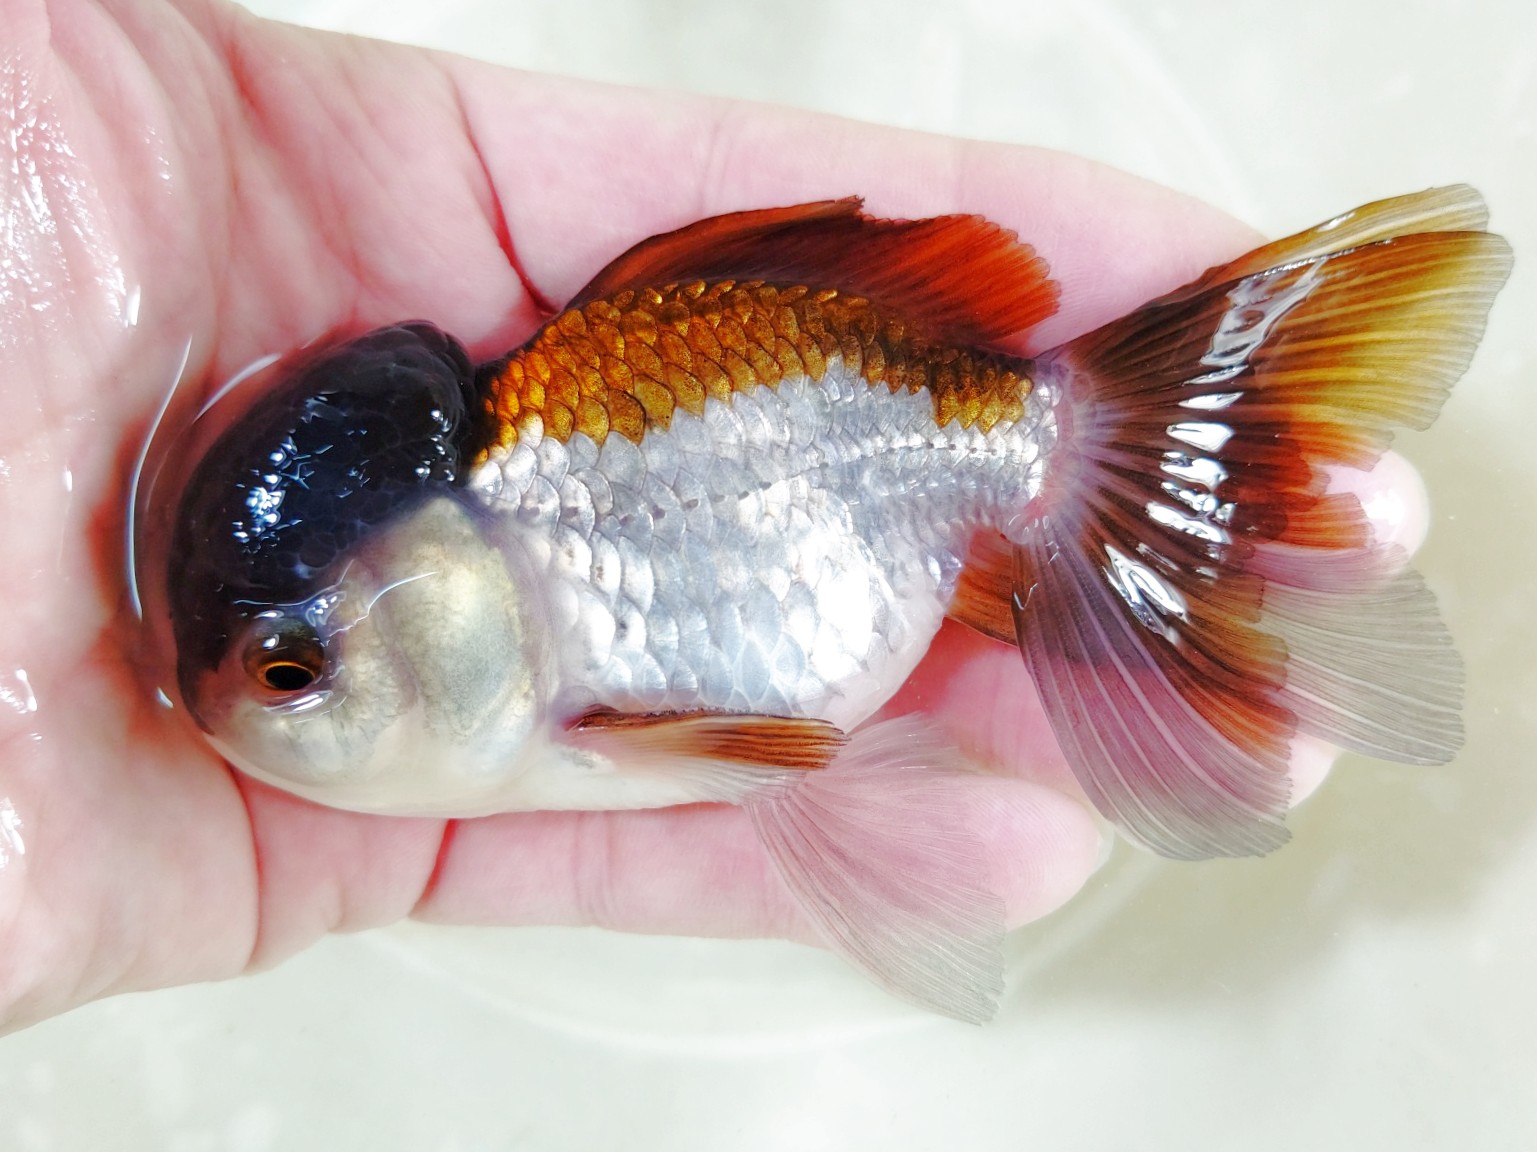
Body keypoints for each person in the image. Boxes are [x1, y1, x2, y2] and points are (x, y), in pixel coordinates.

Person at [0, 0, 1429, 1033]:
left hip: (891, 409)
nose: (260, 701)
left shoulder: (576, 671)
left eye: (294, 668)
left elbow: (772, 752)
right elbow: (775, 754)